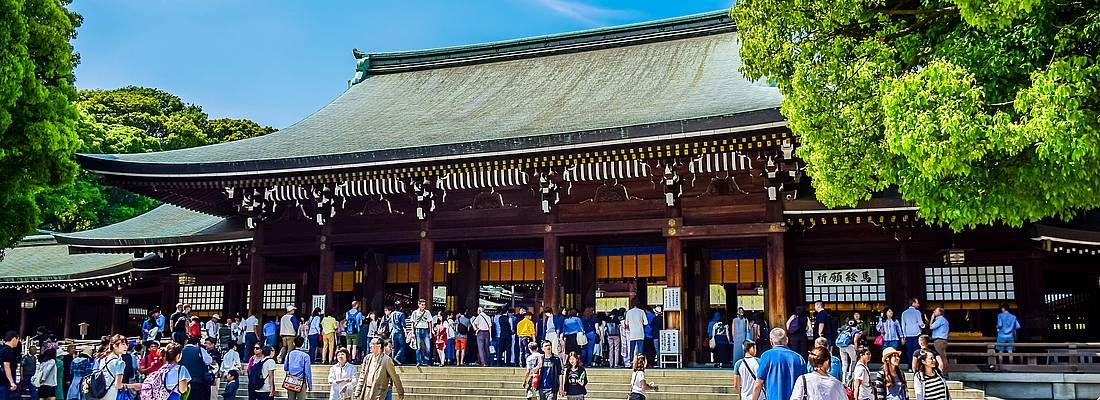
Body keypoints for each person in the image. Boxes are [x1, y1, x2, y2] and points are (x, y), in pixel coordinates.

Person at [750, 328, 808, 400]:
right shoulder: (799, 358)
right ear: (786, 340)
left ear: (771, 341)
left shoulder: (766, 356)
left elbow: (758, 383)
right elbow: (805, 383)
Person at [94, 335, 141, 400]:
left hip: (102, 393)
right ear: (115, 346)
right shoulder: (120, 363)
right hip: (113, 394)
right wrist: (134, 386)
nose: (126, 347)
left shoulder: (103, 359)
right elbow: (118, 385)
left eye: (127, 344)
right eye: (123, 344)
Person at [410, 300, 433, 367]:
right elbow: (412, 322)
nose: (423, 306)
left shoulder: (427, 312)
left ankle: (426, 361)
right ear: (419, 305)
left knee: (428, 347)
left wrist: (430, 332)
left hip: (425, 330)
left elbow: (430, 322)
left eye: (424, 305)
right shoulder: (415, 312)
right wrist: (412, 332)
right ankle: (419, 361)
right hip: (417, 330)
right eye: (422, 305)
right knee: (418, 347)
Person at [0, 332, 19, 400]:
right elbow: (6, 366)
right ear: (14, 339)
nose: (17, 342)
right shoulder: (7, 351)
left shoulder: (1, 349)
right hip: (5, 383)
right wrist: (11, 382)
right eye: (17, 340)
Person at [929, 307, 949, 373]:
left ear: (940, 312)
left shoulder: (940, 320)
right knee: (942, 356)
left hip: (939, 340)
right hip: (942, 340)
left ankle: (943, 372)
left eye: (936, 310)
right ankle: (943, 371)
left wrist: (932, 318)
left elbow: (931, 327)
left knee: (940, 356)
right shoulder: (943, 320)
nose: (934, 311)